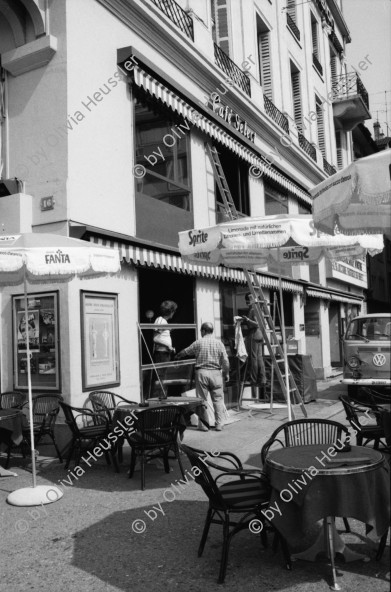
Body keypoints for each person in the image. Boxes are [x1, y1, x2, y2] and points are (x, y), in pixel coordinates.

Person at [175, 322, 229, 432]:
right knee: (218, 400)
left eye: (201, 331)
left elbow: (185, 352)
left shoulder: (198, 343)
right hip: (216, 373)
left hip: (202, 373)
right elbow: (226, 361)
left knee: (202, 401)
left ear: (203, 331)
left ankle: (204, 426)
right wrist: (226, 373)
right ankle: (219, 424)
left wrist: (176, 356)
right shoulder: (219, 344)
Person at [241, 292, 266, 397]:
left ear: (250, 299)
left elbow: (257, 323)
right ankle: (263, 379)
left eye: (247, 300)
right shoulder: (259, 308)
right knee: (259, 358)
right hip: (260, 334)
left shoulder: (253, 309)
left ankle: (254, 380)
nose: (247, 302)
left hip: (255, 333)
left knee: (254, 358)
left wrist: (247, 320)